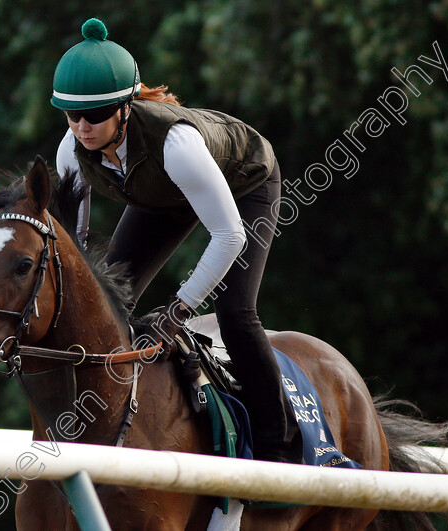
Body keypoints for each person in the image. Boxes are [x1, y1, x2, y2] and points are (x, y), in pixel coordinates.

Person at [52, 18, 301, 464]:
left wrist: (179, 309)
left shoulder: (176, 145)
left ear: (126, 108)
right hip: (160, 193)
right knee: (107, 302)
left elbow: (229, 236)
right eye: (72, 116)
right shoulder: (70, 151)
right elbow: (79, 244)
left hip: (245, 185)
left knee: (235, 314)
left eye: (94, 115)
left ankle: (278, 448)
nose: (82, 128)